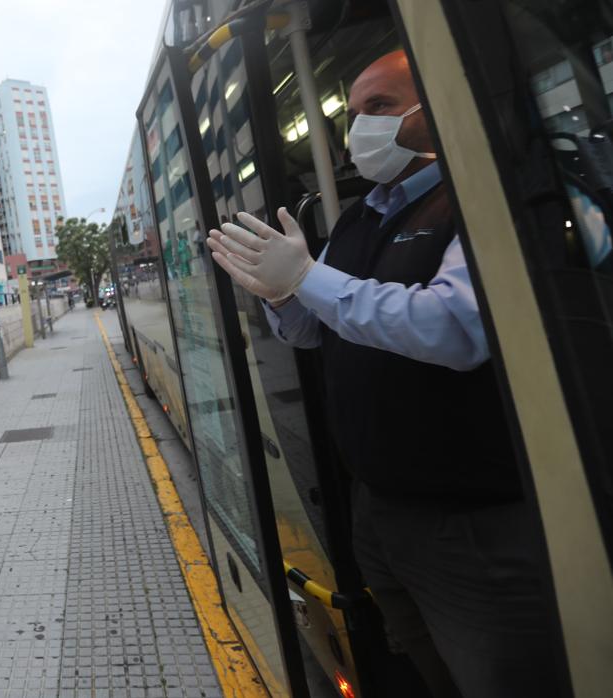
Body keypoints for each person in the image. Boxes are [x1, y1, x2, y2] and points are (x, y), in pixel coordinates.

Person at [205, 50, 561, 698]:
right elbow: (315, 330)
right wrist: (282, 294)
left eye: (380, 107)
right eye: (355, 111)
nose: (357, 128)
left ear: (431, 110)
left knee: (498, 674)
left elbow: (456, 328)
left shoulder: (476, 194)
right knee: (425, 665)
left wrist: (310, 277)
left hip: (469, 521)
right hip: (377, 512)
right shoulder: (358, 215)